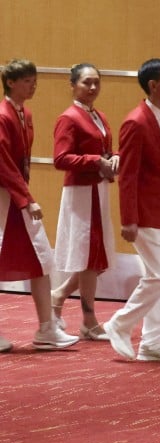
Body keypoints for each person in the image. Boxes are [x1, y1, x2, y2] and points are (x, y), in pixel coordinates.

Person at [103, 58, 160, 362]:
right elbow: (127, 176)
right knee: (159, 277)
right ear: (154, 85)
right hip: (145, 213)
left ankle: (152, 343)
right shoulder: (135, 122)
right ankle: (119, 323)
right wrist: (129, 219)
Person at [0, 59, 78, 352]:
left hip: (15, 195)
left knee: (42, 258)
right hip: (5, 196)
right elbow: (4, 164)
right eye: (28, 81)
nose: (33, 86)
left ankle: (47, 327)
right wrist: (27, 199)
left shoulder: (24, 114)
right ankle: (46, 327)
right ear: (11, 82)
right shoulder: (3, 115)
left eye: (34, 80)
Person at [50, 63, 119, 341]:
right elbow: (60, 159)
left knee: (96, 257)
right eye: (86, 82)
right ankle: (88, 320)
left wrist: (114, 156)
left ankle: (58, 295)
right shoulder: (69, 117)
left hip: (98, 190)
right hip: (80, 193)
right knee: (89, 257)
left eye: (96, 83)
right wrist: (96, 161)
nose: (92, 88)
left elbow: (104, 149)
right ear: (73, 85)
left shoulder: (98, 115)